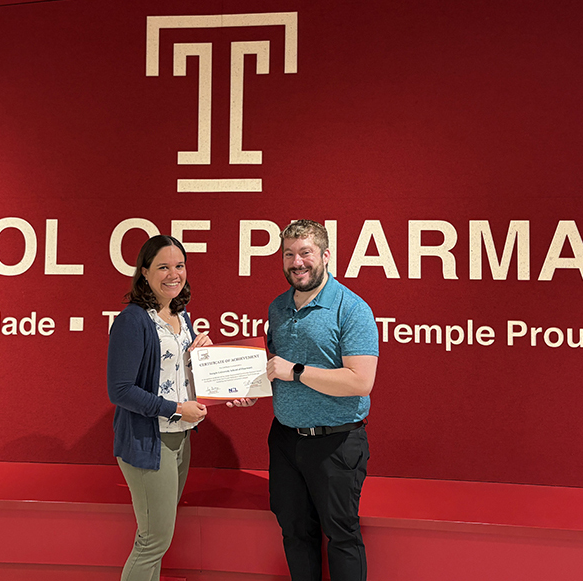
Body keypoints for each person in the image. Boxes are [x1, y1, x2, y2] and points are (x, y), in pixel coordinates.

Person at [107, 234, 253, 580]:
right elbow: (121, 390)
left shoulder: (180, 315)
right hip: (149, 441)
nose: (174, 274)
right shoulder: (133, 320)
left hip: (179, 440)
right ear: (144, 272)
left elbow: (174, 374)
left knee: (156, 537)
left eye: (179, 265)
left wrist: (203, 362)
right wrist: (175, 408)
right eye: (163, 267)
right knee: (154, 539)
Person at [263, 219, 379, 581]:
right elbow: (271, 370)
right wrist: (243, 391)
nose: (297, 262)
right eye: (289, 255)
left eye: (306, 253)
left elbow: (361, 381)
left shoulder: (352, 308)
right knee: (295, 533)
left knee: (342, 537)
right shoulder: (278, 308)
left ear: (325, 256)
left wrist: (296, 371)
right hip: (285, 441)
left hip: (337, 442)